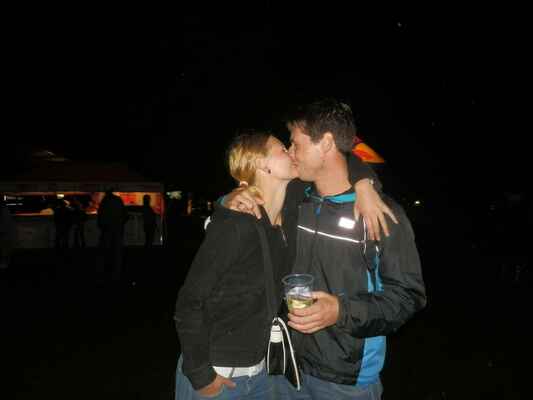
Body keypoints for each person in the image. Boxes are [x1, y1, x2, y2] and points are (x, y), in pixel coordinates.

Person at [281, 98, 426, 399]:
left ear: (326, 143)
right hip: (288, 368)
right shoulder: (296, 199)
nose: (289, 151)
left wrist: (341, 310)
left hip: (345, 380)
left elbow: (407, 296)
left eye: (295, 143)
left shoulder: (381, 215)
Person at [97, 189, 128, 281]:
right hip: (117, 229)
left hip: (107, 229)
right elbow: (125, 215)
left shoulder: (104, 201)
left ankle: (104, 271)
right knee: (117, 252)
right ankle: (116, 272)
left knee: (105, 251)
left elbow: (100, 215)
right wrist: (120, 223)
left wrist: (102, 226)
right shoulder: (118, 200)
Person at [0, 197, 16, 269]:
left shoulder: (4, 209)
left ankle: (5, 260)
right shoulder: (4, 209)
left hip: (4, 230)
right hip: (5, 230)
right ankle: (5, 260)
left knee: (4, 245)